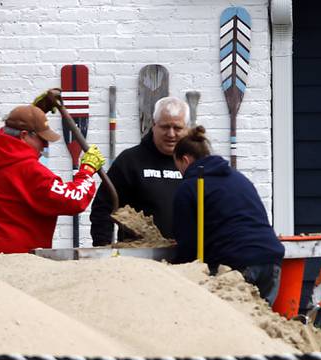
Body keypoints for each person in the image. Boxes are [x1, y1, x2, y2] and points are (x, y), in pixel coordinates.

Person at [0, 104, 105, 258]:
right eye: (42, 139)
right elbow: (73, 199)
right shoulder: (29, 170)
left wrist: (35, 110)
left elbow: (8, 128)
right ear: (24, 135)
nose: (45, 145)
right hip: (11, 259)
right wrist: (87, 171)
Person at [171, 126, 285, 305]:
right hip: (271, 260)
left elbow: (188, 244)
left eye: (178, 168)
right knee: (258, 325)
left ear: (185, 160)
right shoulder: (238, 178)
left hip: (235, 263)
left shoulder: (189, 187)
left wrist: (176, 272)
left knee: (230, 324)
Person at [90, 96, 189, 245]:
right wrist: (102, 248)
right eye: (165, 127)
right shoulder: (130, 161)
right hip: (138, 257)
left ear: (186, 129)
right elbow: (103, 207)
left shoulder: (195, 164)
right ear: (154, 125)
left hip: (186, 258)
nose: (171, 134)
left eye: (177, 128)